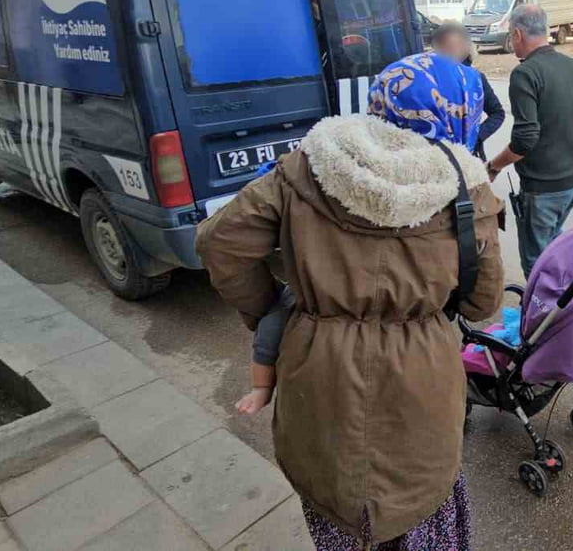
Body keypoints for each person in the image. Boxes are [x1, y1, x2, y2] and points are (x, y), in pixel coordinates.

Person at [197, 52, 504, 551]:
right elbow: (481, 304)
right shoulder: (468, 192)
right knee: (422, 506)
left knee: (334, 508)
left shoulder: (307, 166)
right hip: (421, 380)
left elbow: (219, 243)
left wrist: (272, 311)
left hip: (317, 374)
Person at [488, 4, 573, 278]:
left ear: (518, 34)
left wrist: (494, 166)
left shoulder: (525, 73)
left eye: (510, 34)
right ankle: (564, 294)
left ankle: (546, 305)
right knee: (553, 247)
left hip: (544, 188)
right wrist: (564, 134)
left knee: (537, 264)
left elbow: (525, 139)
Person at [431, 21, 505, 161]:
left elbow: (497, 113)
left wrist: (476, 136)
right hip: (437, 155)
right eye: (445, 46)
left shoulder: (476, 79)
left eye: (453, 46)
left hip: (468, 157)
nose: (449, 50)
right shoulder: (429, 77)